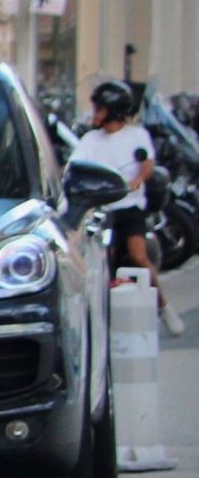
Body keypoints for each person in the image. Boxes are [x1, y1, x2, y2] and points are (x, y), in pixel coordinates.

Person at [76, 79, 185, 336]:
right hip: (102, 211)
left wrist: (136, 181)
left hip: (129, 208)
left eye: (100, 108)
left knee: (137, 255)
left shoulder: (137, 135)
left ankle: (164, 307)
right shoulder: (91, 140)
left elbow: (146, 163)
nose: (95, 113)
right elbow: (75, 165)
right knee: (101, 261)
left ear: (113, 110)